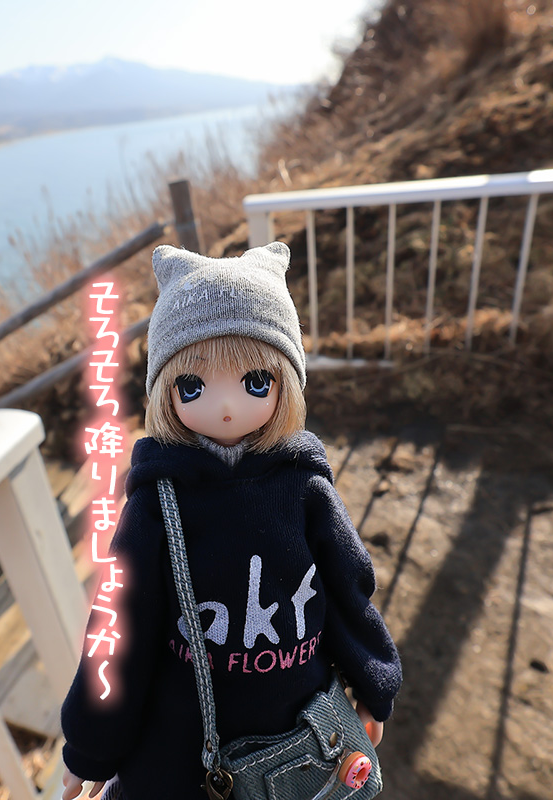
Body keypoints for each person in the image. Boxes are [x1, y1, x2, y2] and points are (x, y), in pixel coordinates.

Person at [60, 242, 402, 800]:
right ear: (165, 393)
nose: (225, 406)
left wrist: (372, 679)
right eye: (192, 386)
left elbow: (347, 589)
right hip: (184, 749)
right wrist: (93, 746)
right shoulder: (158, 501)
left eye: (255, 382)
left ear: (285, 383)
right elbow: (120, 627)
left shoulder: (303, 486)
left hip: (300, 732)